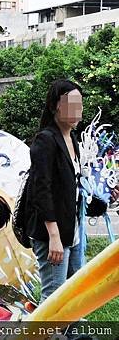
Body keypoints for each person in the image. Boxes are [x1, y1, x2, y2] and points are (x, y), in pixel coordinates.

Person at [26, 79, 119, 303]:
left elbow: (74, 190)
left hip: (72, 231)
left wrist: (103, 199)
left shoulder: (72, 139)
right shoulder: (45, 140)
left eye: (80, 103)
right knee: (54, 297)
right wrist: (54, 237)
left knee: (75, 294)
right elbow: (42, 190)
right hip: (53, 234)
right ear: (56, 106)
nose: (78, 109)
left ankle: (73, 336)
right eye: (71, 103)